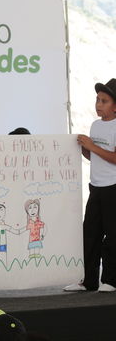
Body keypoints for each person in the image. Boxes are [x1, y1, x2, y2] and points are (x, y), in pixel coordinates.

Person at [64, 78, 116, 293]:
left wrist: (92, 146)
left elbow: (113, 157)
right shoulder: (95, 125)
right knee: (90, 234)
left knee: (112, 235)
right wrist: (83, 148)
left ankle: (111, 280)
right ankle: (88, 280)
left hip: (113, 187)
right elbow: (95, 156)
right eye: (97, 100)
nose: (98, 104)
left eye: (104, 101)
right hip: (96, 187)